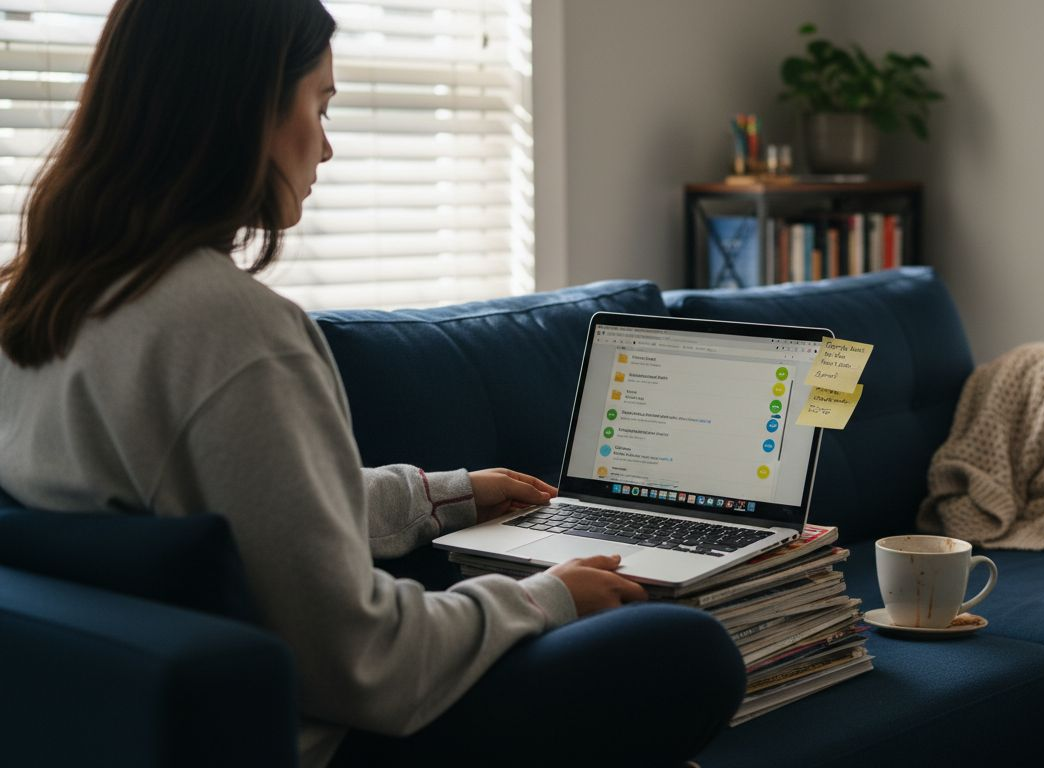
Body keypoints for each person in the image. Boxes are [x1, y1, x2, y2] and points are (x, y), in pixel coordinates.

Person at [0, 1, 745, 766]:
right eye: (318, 105)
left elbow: (234, 520)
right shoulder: (231, 331)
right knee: (686, 648)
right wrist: (546, 597)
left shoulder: (42, 302)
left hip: (114, 725)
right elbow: (360, 663)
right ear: (247, 105)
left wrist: (445, 494)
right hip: (329, 736)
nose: (324, 147)